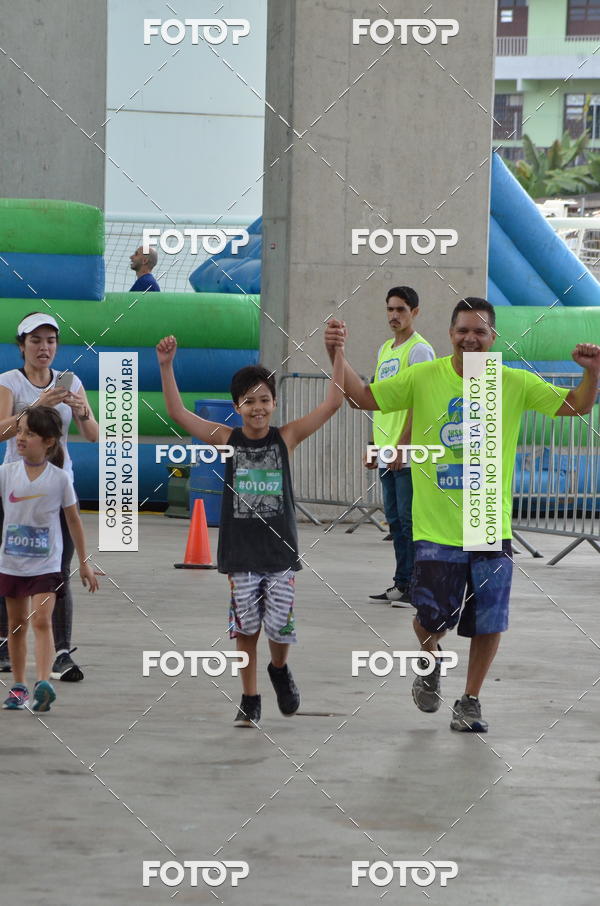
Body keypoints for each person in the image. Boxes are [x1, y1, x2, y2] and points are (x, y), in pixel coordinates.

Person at [325, 298, 600, 733]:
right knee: (428, 619)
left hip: (488, 522)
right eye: (462, 331)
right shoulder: (424, 376)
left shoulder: (511, 382)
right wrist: (336, 354)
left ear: (493, 338)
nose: (470, 339)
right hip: (436, 526)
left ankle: (470, 700)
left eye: (480, 332)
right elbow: (362, 398)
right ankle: (430, 659)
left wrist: (593, 372)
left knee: (489, 620)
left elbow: (576, 406)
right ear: (450, 334)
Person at [156, 335, 344, 727]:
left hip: (279, 555)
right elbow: (177, 413)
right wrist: (166, 365)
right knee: (246, 629)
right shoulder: (228, 441)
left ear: (274, 403)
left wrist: (337, 354)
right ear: (236, 407)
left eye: (264, 400)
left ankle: (279, 669)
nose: (257, 408)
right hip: (240, 555)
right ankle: (249, 697)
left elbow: (332, 403)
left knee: (280, 628)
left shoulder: (286, 437)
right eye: (249, 401)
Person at [0, 313, 99, 680]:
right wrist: (37, 405)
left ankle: (61, 653)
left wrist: (82, 411)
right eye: (36, 340)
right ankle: (5, 644)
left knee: (57, 570)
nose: (44, 348)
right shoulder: (9, 382)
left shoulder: (70, 381)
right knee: (10, 569)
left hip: (57, 488)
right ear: (21, 345)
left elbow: (93, 434)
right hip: (15, 490)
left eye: (51, 341)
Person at [0, 407, 99, 711]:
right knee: (16, 625)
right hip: (12, 563)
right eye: (19, 431)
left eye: (29, 433)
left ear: (49, 442)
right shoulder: (6, 474)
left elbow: (74, 521)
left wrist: (84, 562)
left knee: (42, 620)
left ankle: (43, 683)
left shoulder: (60, 479)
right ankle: (19, 687)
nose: (20, 437)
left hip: (47, 564)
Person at [358, 286, 434, 606]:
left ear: (414, 312)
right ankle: (402, 582)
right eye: (390, 309)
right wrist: (374, 445)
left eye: (401, 309)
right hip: (386, 449)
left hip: (407, 452)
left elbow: (422, 401)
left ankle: (419, 585)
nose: (394, 315)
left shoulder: (419, 350)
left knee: (410, 520)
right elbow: (380, 399)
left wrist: (404, 444)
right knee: (395, 521)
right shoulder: (385, 349)